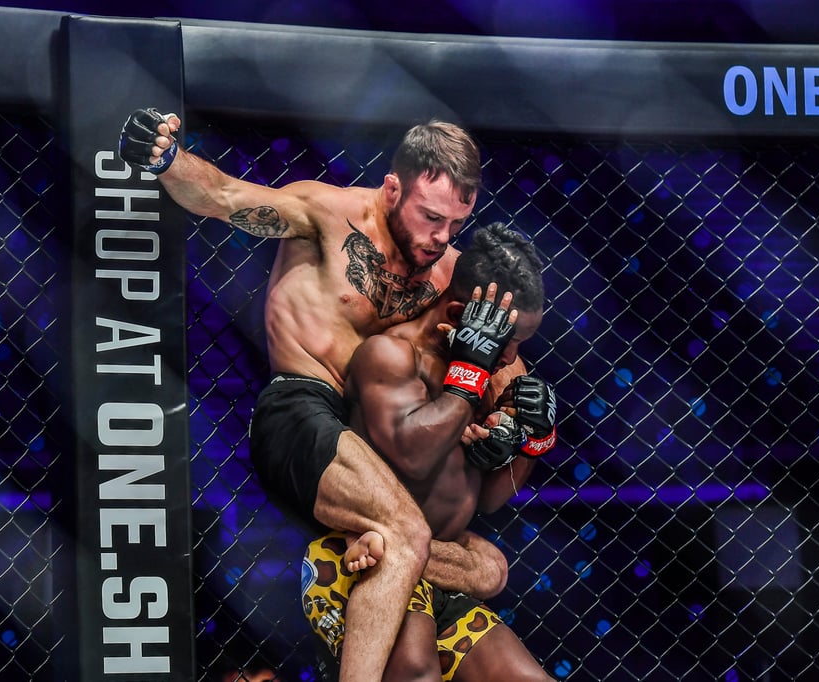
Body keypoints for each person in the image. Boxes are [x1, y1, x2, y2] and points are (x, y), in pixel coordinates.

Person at [119, 110, 516, 682]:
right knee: (408, 534)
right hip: (299, 410)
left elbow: (509, 357)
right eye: (430, 217)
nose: (441, 237)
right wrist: (165, 160)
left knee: (487, 569)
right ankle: (380, 543)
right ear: (393, 189)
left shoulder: (447, 269)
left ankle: (368, 543)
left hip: (373, 441)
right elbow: (223, 195)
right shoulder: (327, 216)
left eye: (455, 223)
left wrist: (520, 410)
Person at [302, 223, 558, 681]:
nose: (513, 356)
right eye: (508, 337)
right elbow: (414, 459)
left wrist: (532, 441)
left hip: (441, 571)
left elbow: (489, 499)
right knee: (414, 673)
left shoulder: (484, 376)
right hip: (375, 565)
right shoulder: (390, 356)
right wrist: (471, 372)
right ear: (461, 312)